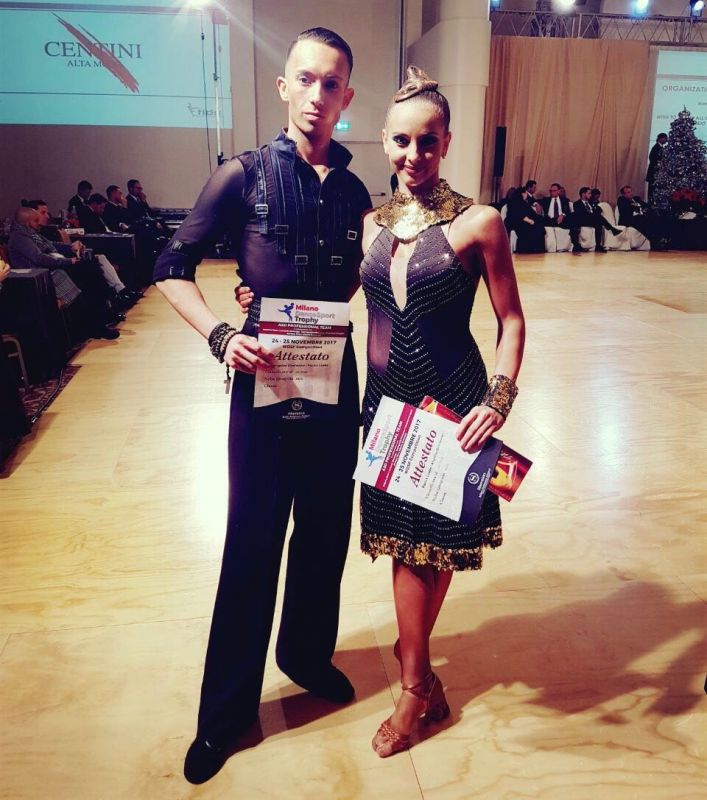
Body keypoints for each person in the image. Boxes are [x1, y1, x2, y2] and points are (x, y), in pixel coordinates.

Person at [152, 27, 370, 785]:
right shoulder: (241, 175)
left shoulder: (354, 191)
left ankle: (305, 656)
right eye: (305, 79)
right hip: (263, 388)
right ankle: (224, 713)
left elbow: (354, 277)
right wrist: (223, 333)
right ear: (284, 87)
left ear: (346, 95)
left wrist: (303, 306)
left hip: (334, 382)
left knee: (325, 532)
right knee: (251, 540)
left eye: (331, 83)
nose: (317, 95)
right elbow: (170, 265)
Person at [357, 66, 525, 758]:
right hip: (384, 409)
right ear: (384, 141)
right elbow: (335, 299)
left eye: (427, 141)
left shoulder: (478, 222)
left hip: (453, 408)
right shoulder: (370, 224)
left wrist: (498, 400)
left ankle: (411, 688)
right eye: (401, 141)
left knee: (433, 549)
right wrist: (258, 301)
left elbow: (511, 321)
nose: (413, 154)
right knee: (406, 547)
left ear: (447, 142)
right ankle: (422, 677)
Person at [8, 207, 119, 340]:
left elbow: (52, 245)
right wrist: (67, 261)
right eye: (35, 221)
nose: (39, 223)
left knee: (91, 268)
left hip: (52, 267)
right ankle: (98, 322)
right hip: (41, 276)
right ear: (27, 222)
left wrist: (71, 247)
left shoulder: (33, 234)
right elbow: (39, 258)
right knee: (88, 275)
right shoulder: (19, 237)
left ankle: (102, 315)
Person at [572, 186, 621, 252]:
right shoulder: (577, 203)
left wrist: (594, 207)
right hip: (582, 221)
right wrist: (592, 214)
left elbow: (599, 210)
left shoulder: (591, 202)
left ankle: (598, 246)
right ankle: (612, 229)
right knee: (598, 217)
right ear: (583, 194)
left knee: (599, 223)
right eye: (589, 193)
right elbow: (581, 214)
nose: (590, 195)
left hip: (592, 220)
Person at [539, 182, 585, 252]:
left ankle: (576, 245)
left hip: (562, 220)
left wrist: (563, 215)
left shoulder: (564, 200)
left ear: (558, 191)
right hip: (550, 220)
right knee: (541, 219)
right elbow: (533, 200)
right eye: (550, 191)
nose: (552, 192)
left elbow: (568, 212)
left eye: (554, 191)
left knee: (574, 217)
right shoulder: (545, 200)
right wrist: (536, 204)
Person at [506, 186, 546, 253]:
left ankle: (537, 248)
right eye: (526, 193)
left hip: (523, 220)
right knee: (528, 227)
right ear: (523, 193)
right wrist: (527, 219)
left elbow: (531, 213)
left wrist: (536, 219)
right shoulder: (514, 202)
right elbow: (515, 214)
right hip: (515, 221)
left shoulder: (524, 202)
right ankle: (527, 248)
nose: (527, 195)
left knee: (539, 224)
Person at [646, 132, 667, 203]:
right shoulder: (656, 147)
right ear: (660, 139)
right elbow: (652, 158)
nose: (666, 140)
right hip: (654, 172)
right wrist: (660, 163)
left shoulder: (659, 147)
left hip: (656, 172)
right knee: (652, 189)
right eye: (665, 138)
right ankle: (651, 203)